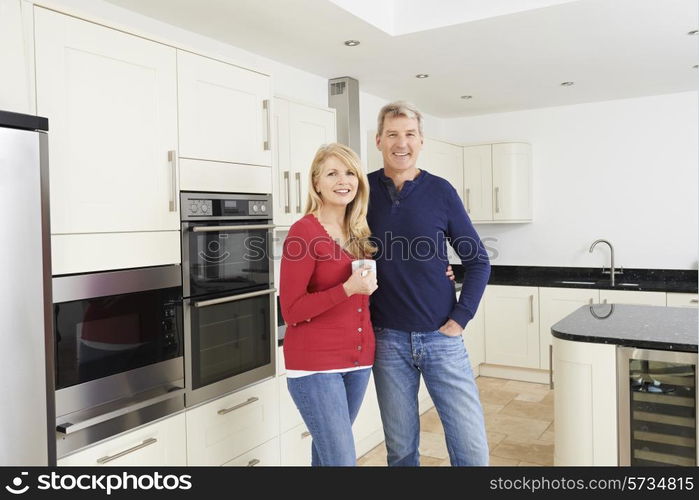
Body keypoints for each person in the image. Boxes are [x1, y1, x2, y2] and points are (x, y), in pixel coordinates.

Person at [367, 101, 491, 466]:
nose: (400, 143)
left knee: (470, 448)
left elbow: (478, 260)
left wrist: (461, 318)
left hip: (441, 337)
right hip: (386, 339)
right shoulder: (361, 191)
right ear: (378, 140)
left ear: (421, 141)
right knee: (401, 450)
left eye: (409, 134)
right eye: (392, 134)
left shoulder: (441, 191)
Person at [279, 142, 378, 466]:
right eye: (332, 173)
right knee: (342, 460)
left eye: (349, 172)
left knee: (327, 457)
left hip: (358, 361)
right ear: (316, 182)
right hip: (315, 366)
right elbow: (290, 311)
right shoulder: (303, 232)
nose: (343, 180)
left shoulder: (359, 231)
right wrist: (347, 289)